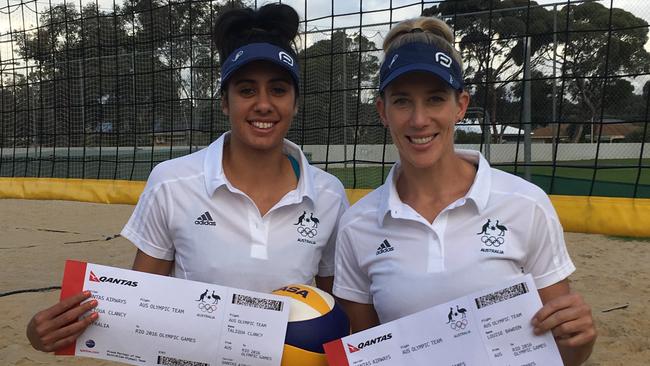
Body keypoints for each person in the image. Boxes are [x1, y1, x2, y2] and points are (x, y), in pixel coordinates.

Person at [27, 3, 348, 353]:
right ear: (225, 101)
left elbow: (335, 311)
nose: (263, 104)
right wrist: (47, 331)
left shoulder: (328, 194)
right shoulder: (171, 182)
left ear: (296, 102)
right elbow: (139, 305)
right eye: (246, 90)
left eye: (279, 89)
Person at [332, 16, 596, 365]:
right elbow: (365, 352)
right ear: (383, 111)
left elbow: (562, 354)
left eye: (435, 99)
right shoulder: (357, 224)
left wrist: (579, 339)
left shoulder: (526, 204)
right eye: (402, 101)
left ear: (461, 106)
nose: (418, 119)